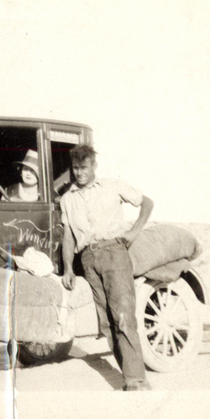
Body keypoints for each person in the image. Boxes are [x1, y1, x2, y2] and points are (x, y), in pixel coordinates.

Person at [60, 144, 154, 391]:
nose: (79, 173)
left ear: (93, 166)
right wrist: (68, 268)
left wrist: (135, 231)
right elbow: (68, 235)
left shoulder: (112, 186)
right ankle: (129, 375)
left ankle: (137, 381)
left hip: (114, 254)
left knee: (123, 316)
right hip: (88, 260)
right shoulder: (67, 200)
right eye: (75, 168)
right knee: (106, 323)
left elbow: (147, 203)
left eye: (83, 167)